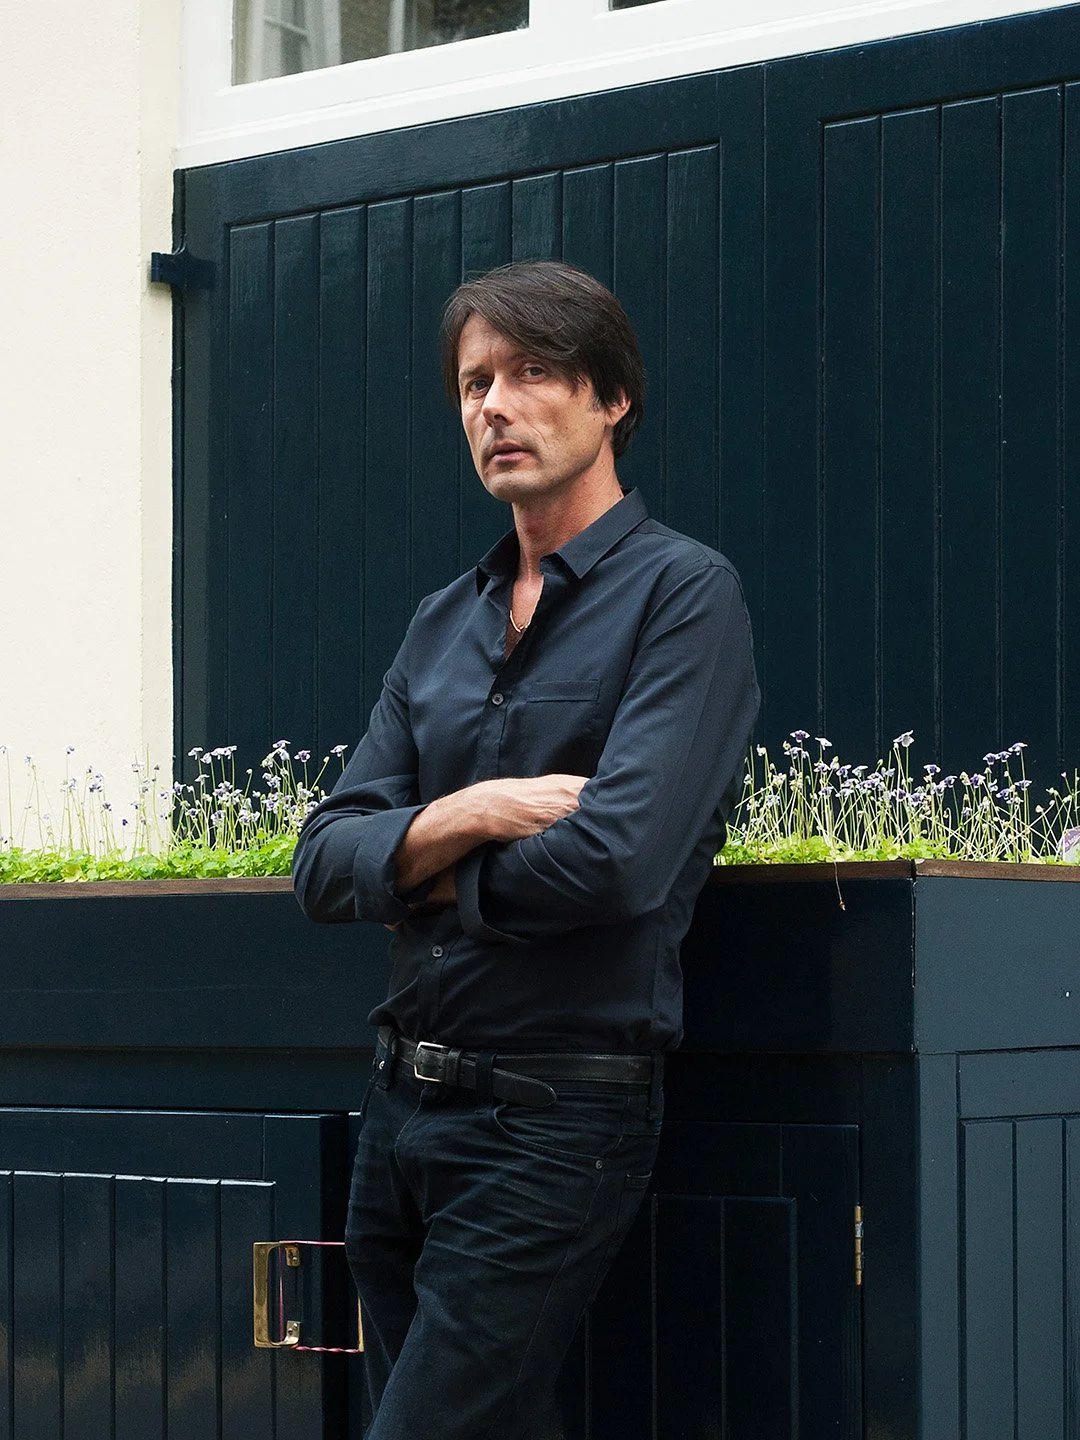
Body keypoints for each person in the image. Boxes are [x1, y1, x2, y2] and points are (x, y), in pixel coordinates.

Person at [291, 259, 759, 1438]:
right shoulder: (441, 620)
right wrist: (473, 812)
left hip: (553, 1120)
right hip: (399, 1117)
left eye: (532, 373)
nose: (492, 405)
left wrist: (414, 871)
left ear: (611, 401)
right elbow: (320, 861)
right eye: (473, 381)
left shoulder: (684, 597)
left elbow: (619, 863)